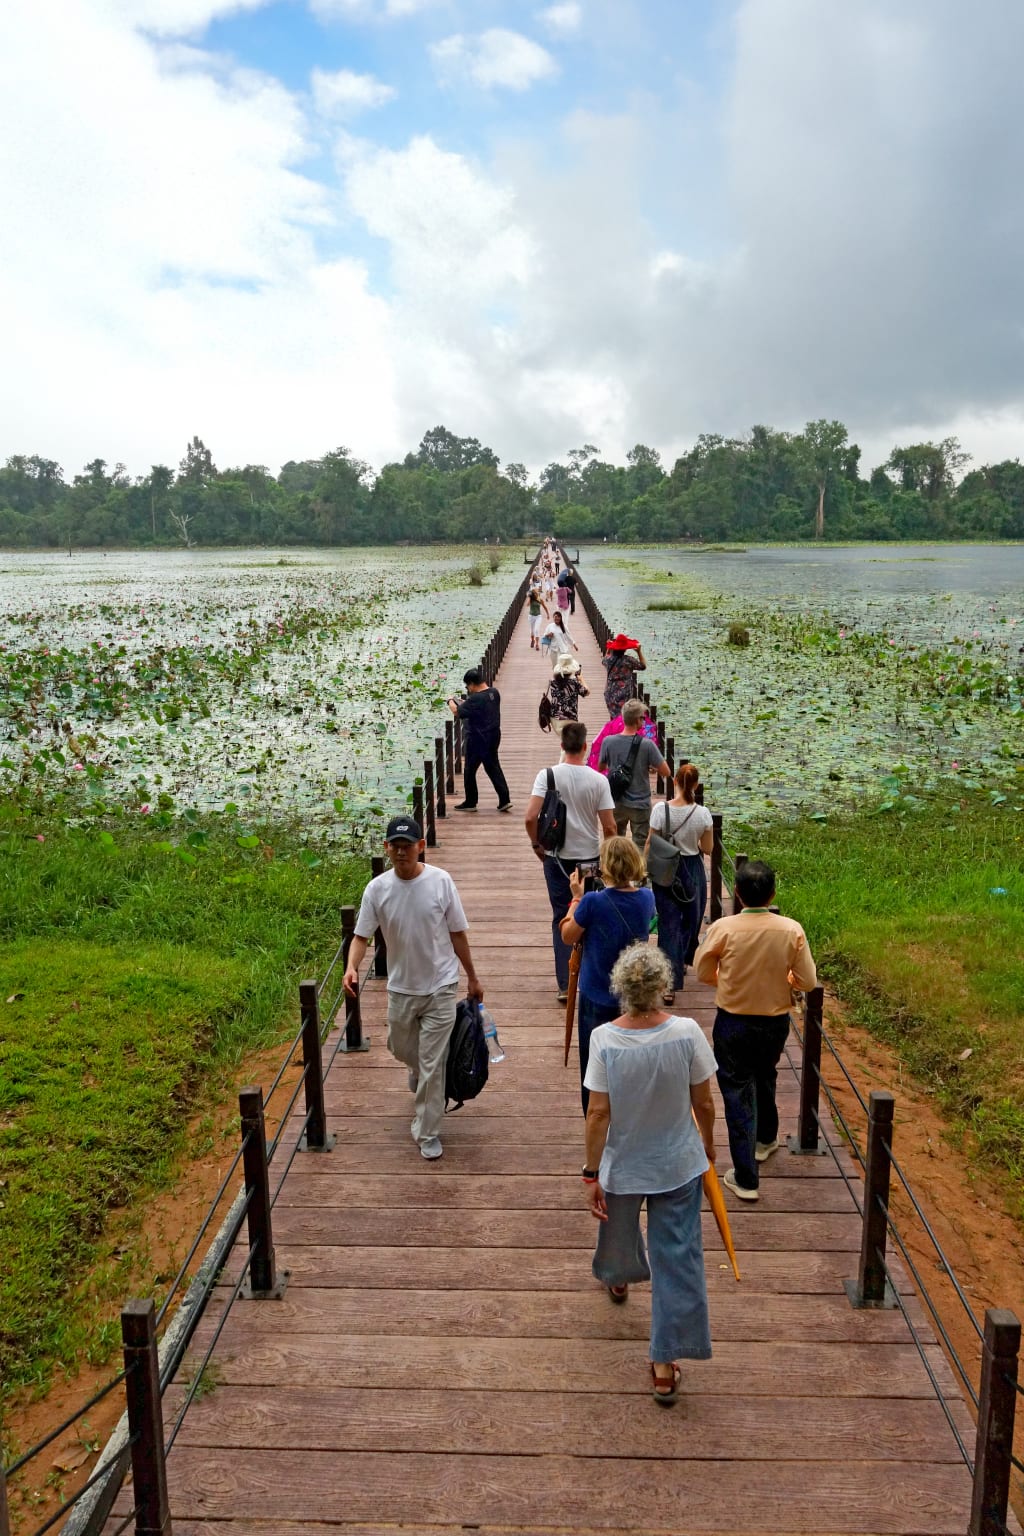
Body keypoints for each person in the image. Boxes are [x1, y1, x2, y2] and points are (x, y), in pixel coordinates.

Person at [583, 943, 716, 1406]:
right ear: (663, 987)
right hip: (678, 1161)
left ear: (620, 988)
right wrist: (710, 1147)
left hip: (623, 1162)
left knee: (617, 1226)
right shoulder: (687, 1032)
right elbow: (703, 1101)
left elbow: (598, 1114)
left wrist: (590, 1172)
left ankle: (618, 1275)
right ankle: (664, 1364)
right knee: (677, 1256)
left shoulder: (604, 1039)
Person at [343, 815, 483, 1161]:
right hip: (402, 988)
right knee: (402, 1047)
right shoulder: (377, 889)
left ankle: (428, 1131)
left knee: (433, 1063)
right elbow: (361, 936)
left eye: (408, 846)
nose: (402, 852)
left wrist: (472, 976)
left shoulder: (441, 882)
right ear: (386, 848)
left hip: (441, 985)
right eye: (396, 846)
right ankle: (417, 1070)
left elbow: (457, 934)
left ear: (421, 847)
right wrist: (351, 967)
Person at [695, 859, 817, 1201]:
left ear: (737, 893)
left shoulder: (723, 928)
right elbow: (807, 980)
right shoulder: (791, 929)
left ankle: (746, 1177)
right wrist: (784, 980)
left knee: (736, 1094)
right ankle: (766, 1139)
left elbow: (703, 972)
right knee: (766, 1076)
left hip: (733, 1021)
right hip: (774, 1022)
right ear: (773, 894)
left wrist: (728, 980)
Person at [559, 836, 656, 1113]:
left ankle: (595, 1120)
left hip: (596, 994)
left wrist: (576, 898)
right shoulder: (647, 898)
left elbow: (568, 936)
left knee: (594, 1068)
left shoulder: (592, 902)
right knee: (630, 1065)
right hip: (632, 996)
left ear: (604, 867)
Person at [523, 720, 616, 1003]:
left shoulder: (547, 775)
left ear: (562, 746)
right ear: (586, 747)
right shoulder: (599, 780)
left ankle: (565, 984)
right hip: (589, 858)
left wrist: (537, 844)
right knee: (588, 915)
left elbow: (529, 817)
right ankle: (587, 977)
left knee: (560, 916)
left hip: (556, 858)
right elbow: (610, 827)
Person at [645, 763, 714, 1005]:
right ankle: (681, 960)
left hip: (665, 870)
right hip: (691, 869)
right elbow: (707, 848)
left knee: (668, 923)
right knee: (691, 919)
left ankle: (668, 984)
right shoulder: (703, 814)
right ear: (695, 785)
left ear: (674, 781)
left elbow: (650, 844)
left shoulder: (660, 810)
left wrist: (645, 870)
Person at [598, 697, 671, 848]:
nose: (643, 721)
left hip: (616, 800)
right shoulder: (647, 745)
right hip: (640, 804)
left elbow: (601, 766)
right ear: (637, 719)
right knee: (640, 845)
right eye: (642, 718)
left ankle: (617, 870)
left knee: (616, 844)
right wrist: (650, 766)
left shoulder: (608, 741)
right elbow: (666, 772)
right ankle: (637, 870)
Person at [448, 668, 511, 813]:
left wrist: (450, 701)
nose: (468, 689)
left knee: (470, 770)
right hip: (493, 736)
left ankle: (471, 802)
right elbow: (478, 706)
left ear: (471, 684)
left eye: (467, 686)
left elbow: (457, 712)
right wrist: (465, 702)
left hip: (477, 739)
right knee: (493, 767)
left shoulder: (476, 699)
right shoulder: (494, 693)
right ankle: (504, 800)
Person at [603, 634, 646, 719]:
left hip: (610, 691)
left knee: (613, 716)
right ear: (625, 649)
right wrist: (639, 652)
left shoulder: (609, 660)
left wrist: (608, 648)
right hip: (624, 693)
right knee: (623, 717)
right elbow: (643, 666)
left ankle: (614, 730)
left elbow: (604, 660)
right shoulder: (628, 660)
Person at [547, 653, 589, 722]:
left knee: (561, 732)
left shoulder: (552, 682)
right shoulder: (574, 682)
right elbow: (587, 692)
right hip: (570, 718)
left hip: (555, 718)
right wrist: (581, 679)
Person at [527, 583, 549, 650]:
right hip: (531, 616)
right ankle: (532, 640)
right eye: (535, 593)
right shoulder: (531, 599)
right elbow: (527, 605)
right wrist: (529, 598)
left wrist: (548, 614)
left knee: (536, 630)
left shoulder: (540, 599)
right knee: (532, 631)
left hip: (538, 616)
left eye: (536, 593)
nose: (536, 594)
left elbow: (545, 607)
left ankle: (537, 644)